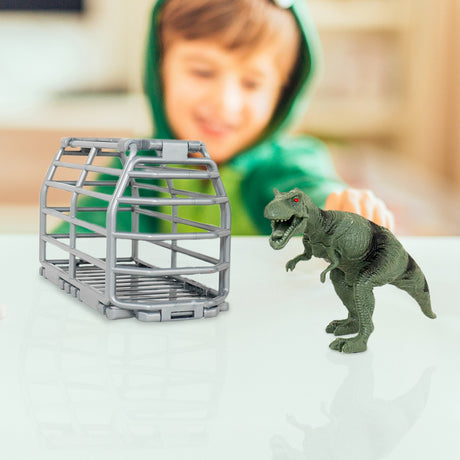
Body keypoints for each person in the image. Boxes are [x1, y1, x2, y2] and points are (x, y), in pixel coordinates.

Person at [142, 0, 395, 234]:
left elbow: (315, 199)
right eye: (203, 72)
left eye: (252, 83)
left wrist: (341, 213)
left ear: (282, 95)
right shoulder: (134, 167)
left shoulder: (285, 167)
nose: (226, 103)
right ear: (160, 69)